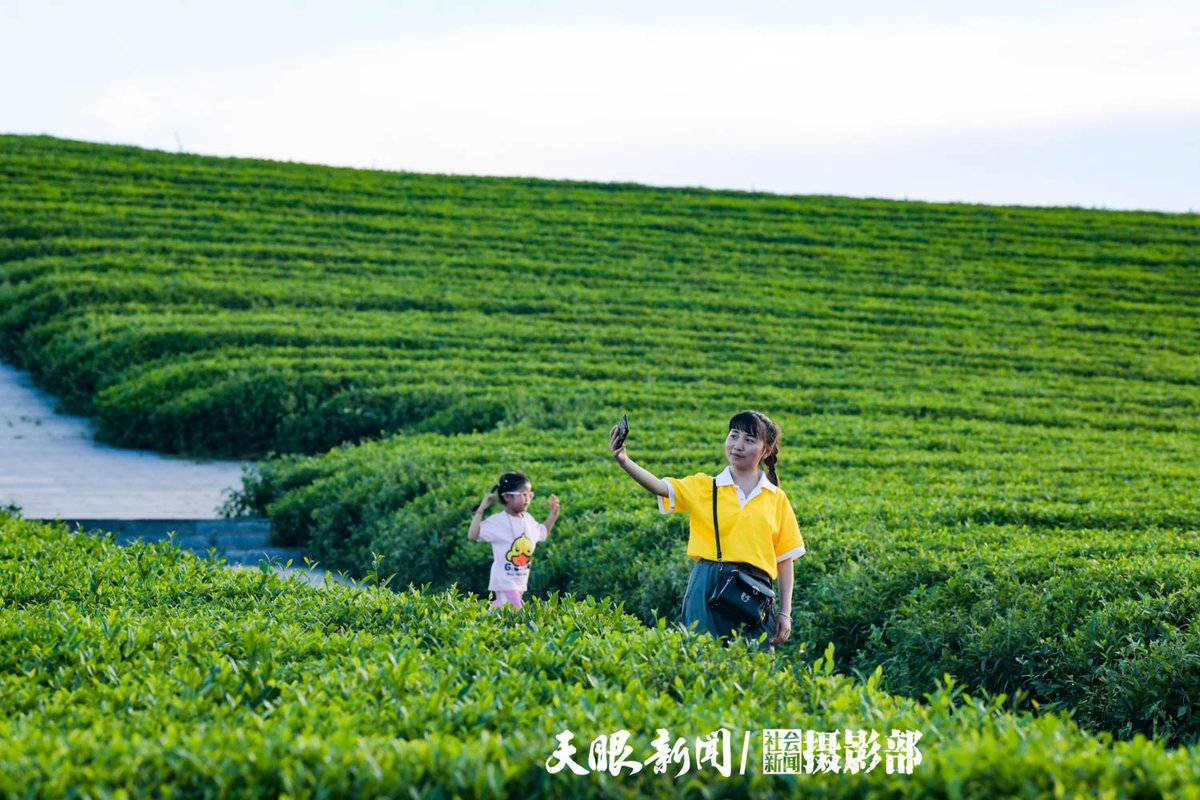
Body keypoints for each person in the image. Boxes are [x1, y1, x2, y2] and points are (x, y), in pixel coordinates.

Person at [609, 410, 805, 650]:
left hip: (755, 592)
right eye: (734, 435)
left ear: (766, 450)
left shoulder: (776, 498)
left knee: (756, 661)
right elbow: (659, 487)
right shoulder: (705, 486)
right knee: (705, 656)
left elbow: (785, 559)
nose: (738, 445)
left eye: (749, 439)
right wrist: (624, 461)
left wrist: (785, 613)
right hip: (709, 583)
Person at [468, 471, 560, 610]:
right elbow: (473, 535)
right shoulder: (498, 521)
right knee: (515, 613)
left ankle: (484, 617)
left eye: (529, 495)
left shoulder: (528, 520)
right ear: (507, 497)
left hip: (520, 583)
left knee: (504, 615)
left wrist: (553, 515)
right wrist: (481, 509)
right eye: (523, 495)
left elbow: (543, 532)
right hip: (504, 583)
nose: (527, 499)